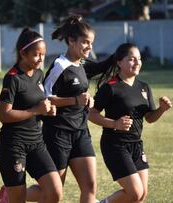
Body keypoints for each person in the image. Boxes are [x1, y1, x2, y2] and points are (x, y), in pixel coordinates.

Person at [27, 15, 113, 203]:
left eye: (91, 43)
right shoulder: (59, 66)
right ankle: (12, 195)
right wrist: (75, 100)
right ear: (71, 41)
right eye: (85, 42)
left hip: (81, 132)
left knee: (90, 187)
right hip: (58, 134)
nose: (89, 47)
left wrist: (86, 101)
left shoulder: (81, 65)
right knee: (52, 192)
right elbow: (45, 99)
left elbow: (80, 96)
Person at [89, 43, 172, 203]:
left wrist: (161, 109)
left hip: (136, 145)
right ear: (119, 62)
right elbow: (91, 114)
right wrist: (115, 124)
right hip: (115, 145)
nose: (137, 63)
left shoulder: (144, 87)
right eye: (131, 59)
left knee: (140, 195)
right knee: (134, 192)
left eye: (139, 59)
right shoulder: (110, 88)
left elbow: (149, 118)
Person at [0, 28, 63, 203]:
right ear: (23, 53)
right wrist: (35, 110)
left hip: (36, 143)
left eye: (43, 54)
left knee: (55, 192)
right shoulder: (12, 78)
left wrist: (47, 111)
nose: (41, 59)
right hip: (13, 145)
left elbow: (38, 105)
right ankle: (7, 197)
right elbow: (4, 115)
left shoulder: (39, 74)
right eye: (36, 54)